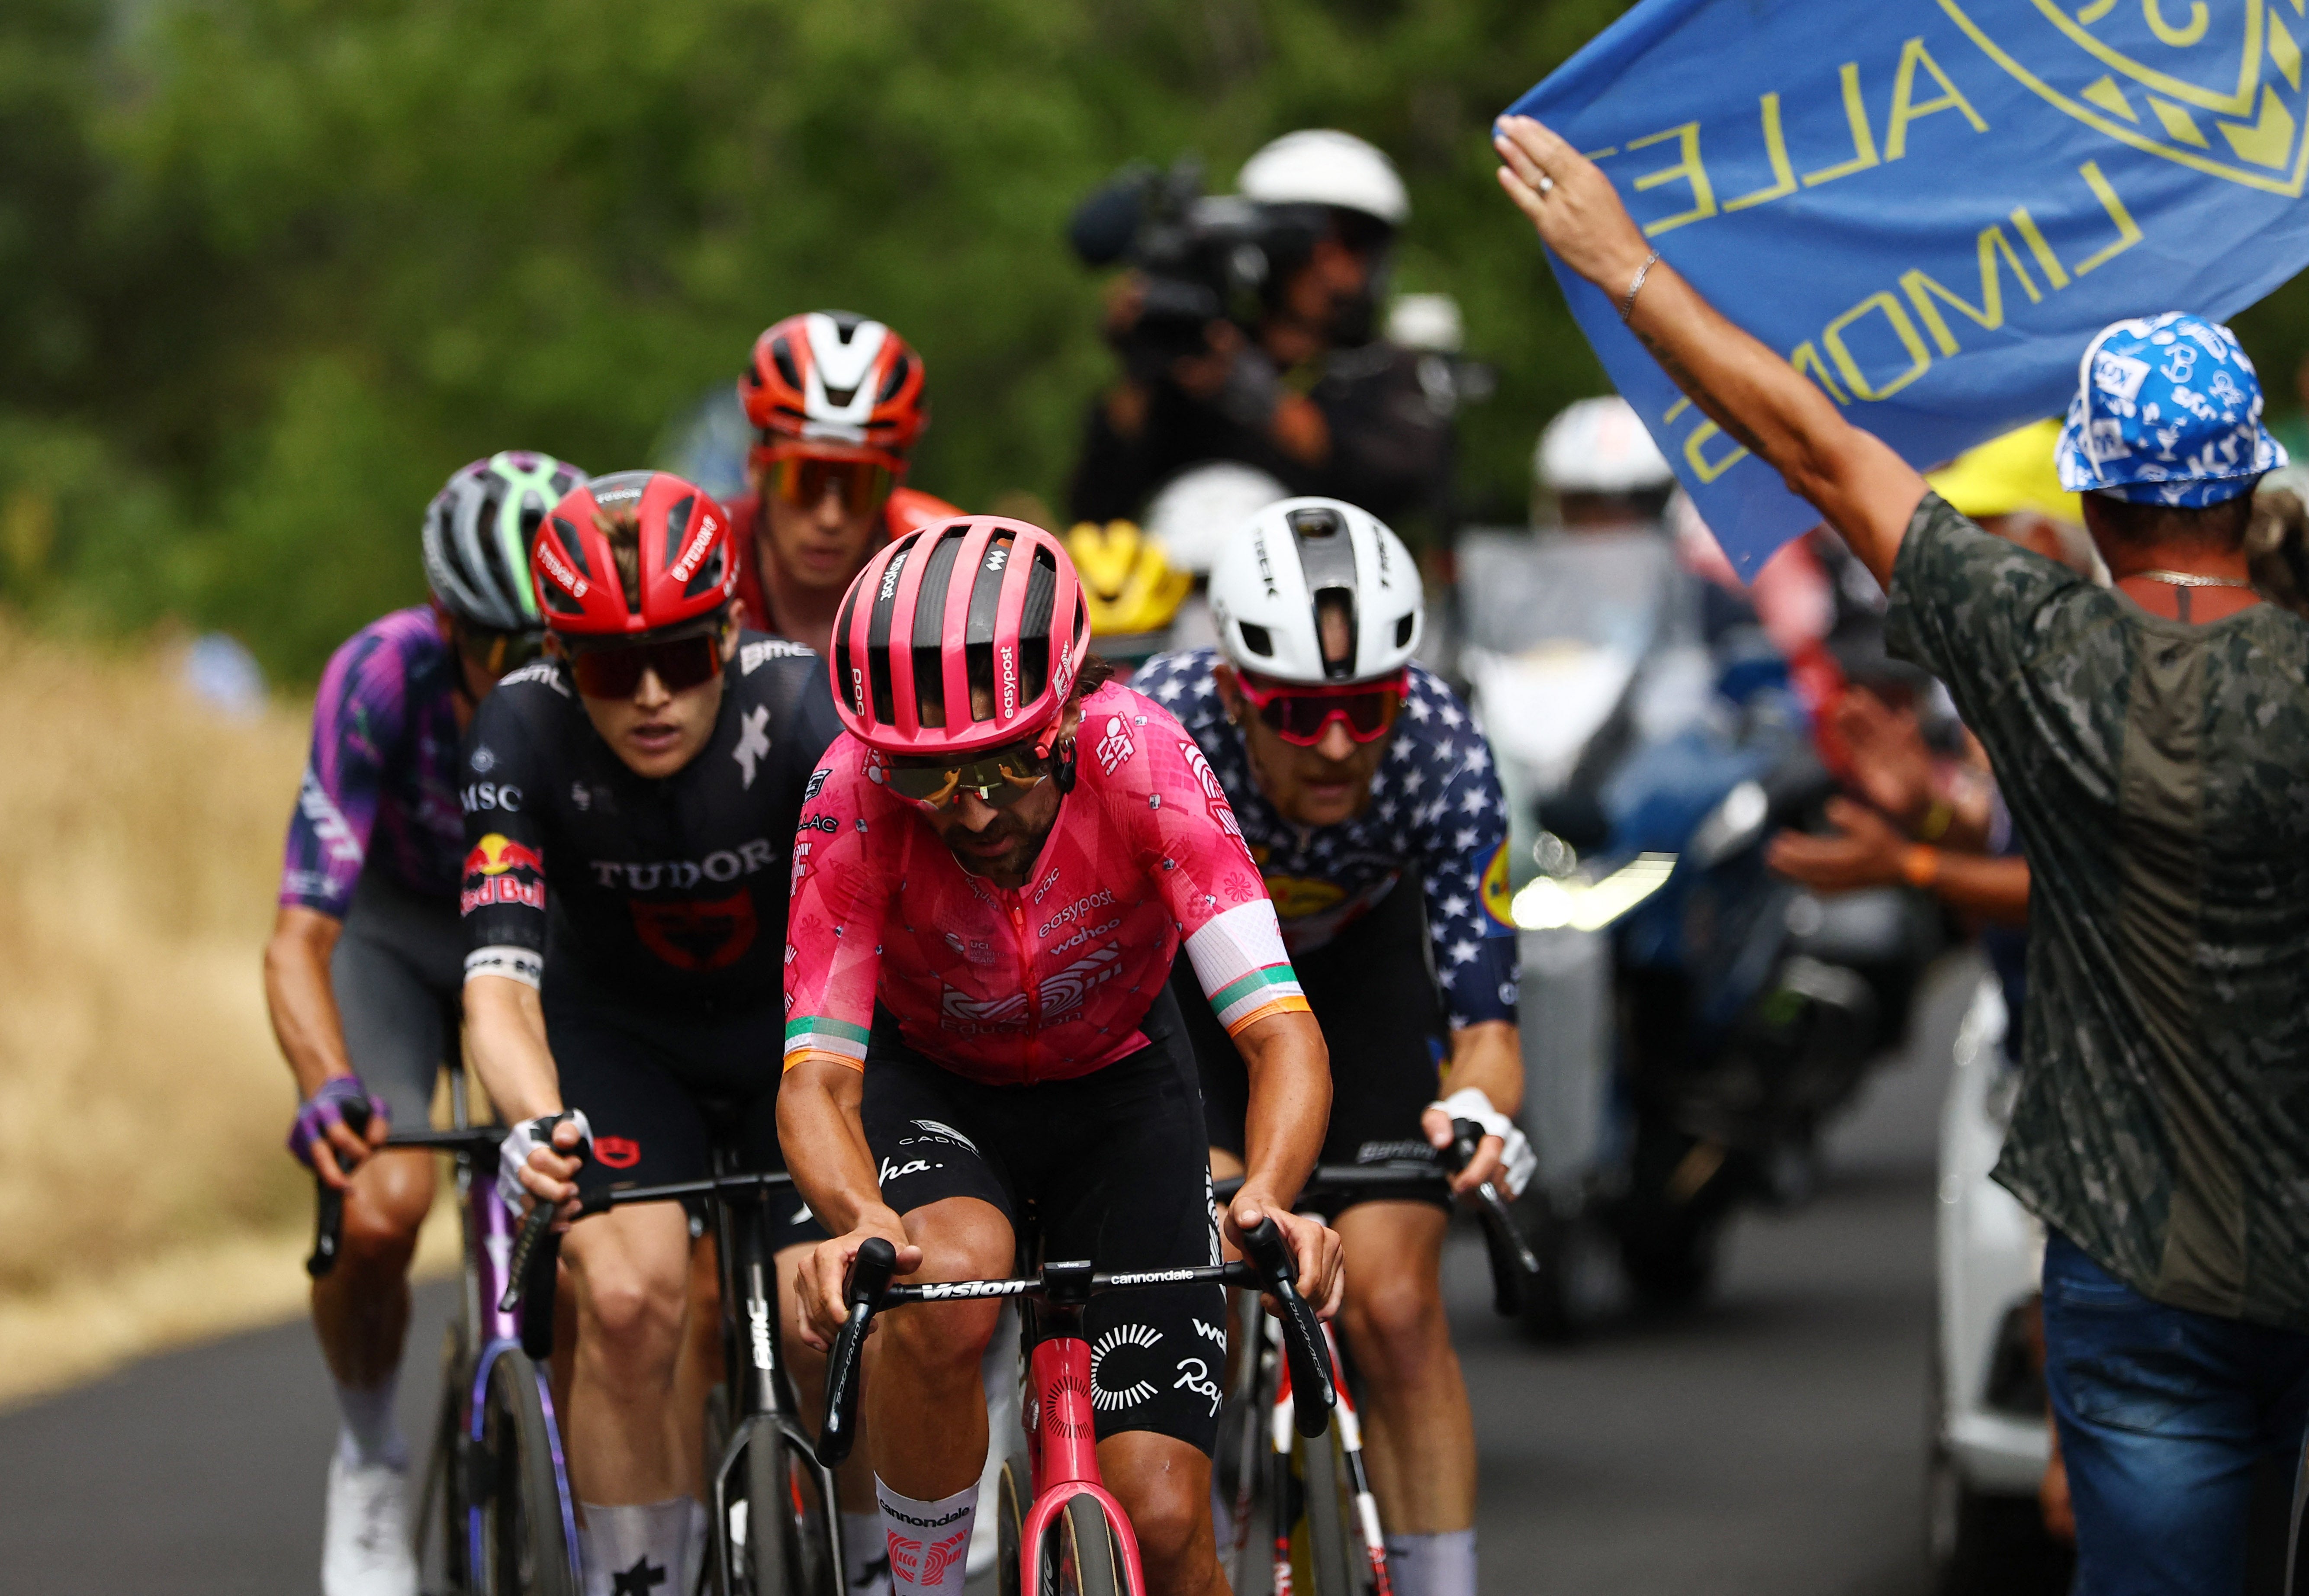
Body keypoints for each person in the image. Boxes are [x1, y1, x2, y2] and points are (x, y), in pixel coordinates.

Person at [1498, 113, 2309, 1596]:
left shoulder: (2036, 646)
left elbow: (1818, 448)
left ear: (2095, 495)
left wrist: (1628, 268)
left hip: (2135, 1269)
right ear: (2245, 487)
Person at [776, 516, 1343, 1596]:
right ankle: (924, 1579)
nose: (974, 806)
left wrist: (1269, 1192)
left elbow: (1280, 1030)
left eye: (1002, 759)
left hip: (1122, 1083)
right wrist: (860, 1219)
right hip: (936, 1083)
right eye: (929, 775)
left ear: (1070, 707)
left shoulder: (1146, 761)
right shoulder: (849, 793)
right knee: (939, 1289)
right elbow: (818, 1075)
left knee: (1168, 1519)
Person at [1133, 496, 1531, 1596]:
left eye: (1369, 705)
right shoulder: (1151, 733)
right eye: (1300, 714)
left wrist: (1482, 1114)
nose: (1344, 743)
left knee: (1395, 1302)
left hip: (1353, 981)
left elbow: (1487, 1028)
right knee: (1197, 1275)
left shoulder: (1444, 749)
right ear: (1231, 693)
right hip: (1179, 996)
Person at [463, 470, 849, 1596]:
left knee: (835, 1308)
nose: (645, 694)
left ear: (731, 633)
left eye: (679, 656)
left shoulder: (803, 708)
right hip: (621, 1040)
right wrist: (534, 1123)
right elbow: (498, 987)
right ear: (555, 657)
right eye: (603, 664)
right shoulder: (522, 725)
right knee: (628, 1303)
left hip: (797, 1035)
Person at [268, 450, 584, 1596]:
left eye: (553, 649)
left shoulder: (612, 674)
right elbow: (301, 933)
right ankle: (368, 1456)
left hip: (549, 937)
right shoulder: (381, 676)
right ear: (450, 623)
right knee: (385, 1200)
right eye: (503, 652)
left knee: (612, 1205)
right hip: (402, 935)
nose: (528, 678)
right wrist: (326, 1085)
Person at [1068, 131, 1452, 532]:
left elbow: (1392, 483)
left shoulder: (1387, 370)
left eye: (1351, 244)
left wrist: (1249, 389)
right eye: (1308, 242)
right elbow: (1097, 508)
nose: (1327, 266)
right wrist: (1142, 364)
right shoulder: (1198, 355)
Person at [731, 310, 961, 655]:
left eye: (860, 486)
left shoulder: (950, 560)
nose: (830, 519)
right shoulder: (703, 553)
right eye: (804, 481)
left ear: (897, 481)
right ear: (757, 468)